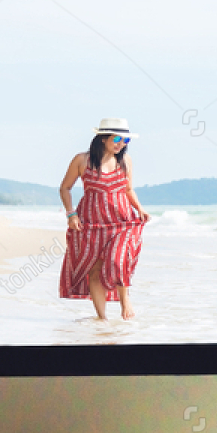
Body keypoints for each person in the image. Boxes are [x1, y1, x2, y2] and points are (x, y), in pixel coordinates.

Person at [57, 118, 150, 320]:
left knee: (118, 260)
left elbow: (128, 189)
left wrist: (140, 209)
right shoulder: (82, 160)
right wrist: (70, 214)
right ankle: (102, 318)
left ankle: (125, 301)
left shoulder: (125, 161)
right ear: (102, 138)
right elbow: (65, 188)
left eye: (126, 140)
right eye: (117, 138)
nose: (121, 143)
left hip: (122, 221)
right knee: (95, 270)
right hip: (91, 222)